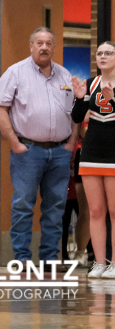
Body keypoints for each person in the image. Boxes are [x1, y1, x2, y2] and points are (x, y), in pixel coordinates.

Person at [0, 27, 76, 265]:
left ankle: (50, 258)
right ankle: (22, 258)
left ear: (54, 47)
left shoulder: (65, 75)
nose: (44, 47)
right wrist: (15, 143)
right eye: (39, 43)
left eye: (48, 43)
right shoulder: (15, 73)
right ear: (31, 47)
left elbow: (75, 113)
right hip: (28, 152)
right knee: (23, 205)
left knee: (56, 207)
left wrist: (71, 143)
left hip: (60, 152)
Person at [71, 41, 115, 278]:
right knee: (95, 210)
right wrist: (80, 98)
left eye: (109, 53)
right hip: (91, 153)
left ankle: (114, 263)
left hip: (113, 154)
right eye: (100, 53)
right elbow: (77, 117)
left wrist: (113, 99)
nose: (103, 56)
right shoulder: (91, 83)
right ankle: (99, 262)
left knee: (114, 212)